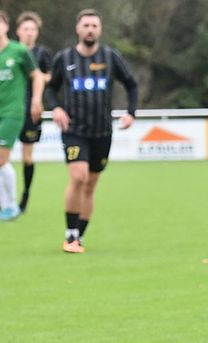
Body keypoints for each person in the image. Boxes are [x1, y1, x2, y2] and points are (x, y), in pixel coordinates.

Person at [44, 8, 138, 253]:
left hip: (102, 131)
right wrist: (56, 108)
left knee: (90, 185)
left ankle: (79, 236)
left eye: (94, 26)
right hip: (74, 129)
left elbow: (131, 84)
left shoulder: (110, 57)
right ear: (78, 28)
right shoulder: (64, 58)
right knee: (78, 177)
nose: (90, 30)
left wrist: (131, 112)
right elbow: (51, 88)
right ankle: (70, 234)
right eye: (86, 25)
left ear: (100, 30)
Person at [0, 10, 42, 222]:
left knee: (1, 159)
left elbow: (37, 76)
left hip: (12, 113)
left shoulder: (18, 51)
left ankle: (10, 206)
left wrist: (36, 99)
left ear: (6, 26)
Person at [14, 11, 52, 214]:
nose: (29, 32)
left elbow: (51, 77)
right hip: (9, 109)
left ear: (37, 32)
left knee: (27, 157)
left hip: (32, 111)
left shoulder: (42, 53)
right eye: (26, 29)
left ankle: (25, 195)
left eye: (33, 29)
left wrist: (36, 76)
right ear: (18, 31)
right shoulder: (10, 51)